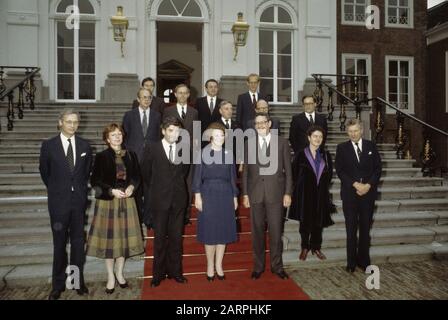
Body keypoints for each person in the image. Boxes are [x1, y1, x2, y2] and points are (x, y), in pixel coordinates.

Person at [39, 108, 92, 300]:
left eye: (76, 122)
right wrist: (58, 189)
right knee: (59, 244)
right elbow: (45, 173)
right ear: (60, 122)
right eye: (69, 121)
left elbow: (85, 173)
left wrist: (75, 189)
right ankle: (58, 285)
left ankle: (77, 282)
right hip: (58, 202)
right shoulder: (49, 146)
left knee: (78, 243)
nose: (73, 125)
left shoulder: (85, 146)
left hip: (78, 202)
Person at [86, 123, 144, 294]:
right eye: (113, 135)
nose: (117, 137)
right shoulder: (102, 156)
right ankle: (110, 276)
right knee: (110, 243)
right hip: (109, 202)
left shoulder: (131, 155)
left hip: (127, 202)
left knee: (123, 241)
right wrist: (111, 191)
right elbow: (95, 181)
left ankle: (119, 273)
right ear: (107, 139)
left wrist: (132, 187)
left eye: (119, 134)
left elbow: (136, 176)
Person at [242, 113, 292, 280]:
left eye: (263, 122)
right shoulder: (248, 144)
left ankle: (277, 267)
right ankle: (258, 267)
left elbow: (289, 172)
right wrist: (245, 194)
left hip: (276, 195)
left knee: (276, 233)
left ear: (269, 123)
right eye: (257, 123)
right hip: (255, 194)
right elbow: (246, 172)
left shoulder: (282, 143)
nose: (261, 125)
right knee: (257, 233)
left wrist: (288, 193)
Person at [141, 117, 190, 288]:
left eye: (177, 131)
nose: (175, 134)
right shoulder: (152, 148)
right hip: (159, 200)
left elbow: (184, 172)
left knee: (176, 239)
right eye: (171, 130)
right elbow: (146, 173)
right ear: (163, 131)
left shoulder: (184, 148)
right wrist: (158, 189)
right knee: (160, 239)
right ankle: (158, 275)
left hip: (178, 200)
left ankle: (176, 272)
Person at [192, 123, 239, 281]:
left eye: (222, 135)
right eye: (216, 135)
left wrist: (234, 196)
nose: (220, 138)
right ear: (211, 137)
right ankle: (210, 265)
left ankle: (219, 265)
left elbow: (233, 178)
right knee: (210, 231)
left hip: (225, 194)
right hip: (208, 193)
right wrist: (197, 195)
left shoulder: (229, 154)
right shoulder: (203, 153)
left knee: (223, 231)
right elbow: (197, 177)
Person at [335, 119, 382, 273]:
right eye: (350, 131)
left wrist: (368, 186)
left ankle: (364, 261)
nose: (353, 134)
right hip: (350, 194)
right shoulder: (342, 148)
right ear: (347, 132)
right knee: (351, 229)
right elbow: (340, 170)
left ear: (361, 130)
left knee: (365, 228)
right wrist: (355, 184)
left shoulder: (371, 146)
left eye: (356, 130)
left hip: (368, 194)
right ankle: (351, 262)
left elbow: (377, 169)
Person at [289, 125, 334, 261]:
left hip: (320, 195)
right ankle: (305, 247)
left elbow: (329, 175)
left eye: (320, 137)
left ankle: (316, 247)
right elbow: (293, 174)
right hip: (304, 194)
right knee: (305, 223)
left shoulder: (325, 156)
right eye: (315, 136)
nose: (318, 139)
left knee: (318, 223)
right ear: (309, 137)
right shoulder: (300, 155)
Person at [123, 88, 161, 225]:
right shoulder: (129, 115)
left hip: (151, 159)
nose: (146, 100)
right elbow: (125, 136)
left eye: (149, 97)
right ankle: (137, 218)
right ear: (138, 99)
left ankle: (149, 218)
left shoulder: (157, 116)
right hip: (134, 158)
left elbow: (159, 136)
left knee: (150, 189)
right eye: (144, 97)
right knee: (135, 189)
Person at [163, 84, 199, 225]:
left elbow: (196, 133)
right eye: (180, 93)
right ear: (175, 94)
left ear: (189, 94)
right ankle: (173, 213)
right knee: (174, 183)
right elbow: (165, 131)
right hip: (173, 152)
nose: (183, 95)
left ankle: (186, 216)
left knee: (188, 183)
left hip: (189, 152)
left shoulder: (194, 112)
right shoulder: (168, 110)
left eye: (185, 93)